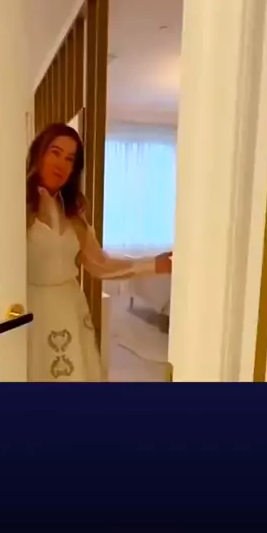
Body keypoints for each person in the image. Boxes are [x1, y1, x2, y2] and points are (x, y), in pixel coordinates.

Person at [26, 122, 173, 382]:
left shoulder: (72, 213)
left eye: (70, 159)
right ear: (39, 153)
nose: (61, 164)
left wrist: (153, 264)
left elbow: (100, 265)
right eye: (55, 153)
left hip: (70, 305)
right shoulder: (16, 204)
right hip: (31, 307)